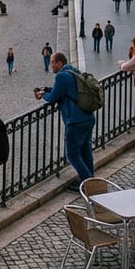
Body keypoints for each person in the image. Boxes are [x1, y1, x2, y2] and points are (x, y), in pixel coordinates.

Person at [38, 53, 96, 188]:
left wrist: (43, 94)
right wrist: (47, 89)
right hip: (88, 117)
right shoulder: (73, 71)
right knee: (86, 152)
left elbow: (53, 98)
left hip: (75, 120)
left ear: (59, 63)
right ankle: (89, 180)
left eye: (52, 62)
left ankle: (88, 183)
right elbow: (64, 90)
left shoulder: (61, 76)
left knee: (72, 154)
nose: (50, 65)